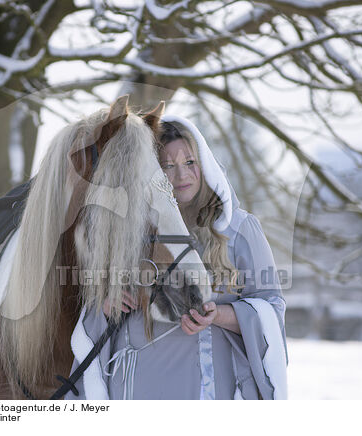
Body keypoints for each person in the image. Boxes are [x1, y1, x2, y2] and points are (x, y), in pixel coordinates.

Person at [65, 115, 288, 400]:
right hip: (134, 388)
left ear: (204, 163)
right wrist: (107, 302)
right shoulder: (127, 230)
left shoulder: (238, 229)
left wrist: (216, 315)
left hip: (206, 389)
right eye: (168, 166)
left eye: (189, 162)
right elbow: (92, 308)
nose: (182, 176)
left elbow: (271, 309)